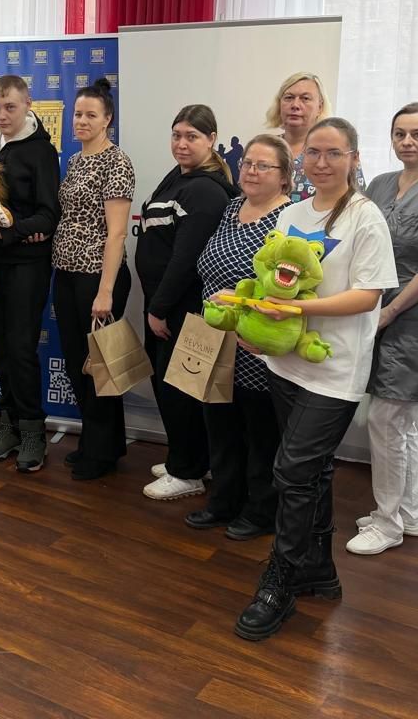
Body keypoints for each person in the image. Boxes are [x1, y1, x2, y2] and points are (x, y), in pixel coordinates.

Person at [234, 118, 397, 641]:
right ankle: (318, 570)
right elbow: (271, 280)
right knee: (314, 472)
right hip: (287, 362)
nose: (322, 163)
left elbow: (368, 296)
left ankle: (280, 581)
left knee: (292, 472)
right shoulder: (292, 213)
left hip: (336, 369)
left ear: (354, 158)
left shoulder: (366, 218)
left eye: (334, 153)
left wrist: (296, 309)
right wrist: (253, 319)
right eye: (314, 154)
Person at [346, 103, 418, 556]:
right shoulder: (378, 184)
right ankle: (410, 512)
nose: (408, 142)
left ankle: (387, 521)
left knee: (387, 418)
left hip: (413, 318)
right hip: (371, 311)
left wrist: (389, 313)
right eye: (400, 133)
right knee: (400, 422)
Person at [189, 134, 292, 538]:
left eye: (263, 165)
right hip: (215, 334)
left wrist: (240, 297)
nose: (251, 171)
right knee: (220, 424)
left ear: (284, 176)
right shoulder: (233, 206)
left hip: (255, 340)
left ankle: (261, 511)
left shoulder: (289, 218)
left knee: (259, 430)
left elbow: (288, 286)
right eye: (248, 163)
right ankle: (223, 501)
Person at [137, 105, 237, 500]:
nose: (181, 143)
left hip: (183, 307)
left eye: (191, 136)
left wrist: (159, 308)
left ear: (211, 139)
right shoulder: (180, 177)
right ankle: (190, 457)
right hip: (165, 304)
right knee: (173, 387)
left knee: (180, 390)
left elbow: (186, 259)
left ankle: (187, 471)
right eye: (177, 135)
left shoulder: (205, 190)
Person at [0, 75, 61, 473]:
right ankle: (8, 426)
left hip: (28, 264)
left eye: (10, 108)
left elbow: (48, 216)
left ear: (27, 105)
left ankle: (34, 430)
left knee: (21, 349)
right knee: (0, 347)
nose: (2, 115)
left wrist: (4, 231)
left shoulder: (42, 151)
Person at [51, 79, 135, 481]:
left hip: (98, 279)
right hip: (67, 275)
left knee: (101, 368)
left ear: (107, 119)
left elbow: (116, 234)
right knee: (77, 363)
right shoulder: (74, 160)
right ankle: (99, 442)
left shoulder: (117, 162)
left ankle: (100, 453)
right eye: (77, 114)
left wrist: (105, 291)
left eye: (91, 115)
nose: (81, 121)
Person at [265, 72, 364, 202]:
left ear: (320, 107)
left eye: (305, 98)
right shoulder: (264, 148)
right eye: (289, 98)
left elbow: (356, 202)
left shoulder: (339, 152)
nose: (295, 105)